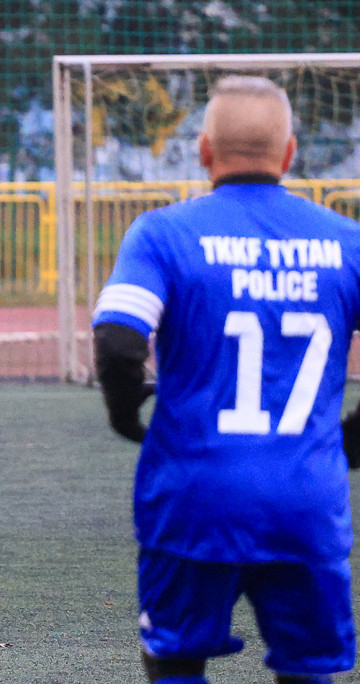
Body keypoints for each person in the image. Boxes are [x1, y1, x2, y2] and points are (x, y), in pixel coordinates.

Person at [92, 75, 360, 683]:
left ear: (204, 150)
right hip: (306, 500)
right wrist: (356, 439)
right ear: (289, 153)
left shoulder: (162, 233)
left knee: (175, 660)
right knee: (308, 670)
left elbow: (118, 341)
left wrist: (126, 413)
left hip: (192, 497)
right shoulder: (348, 243)